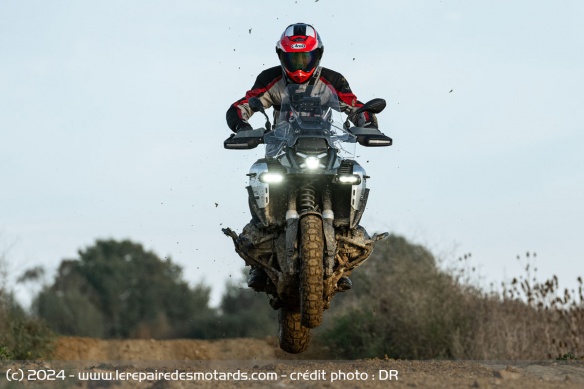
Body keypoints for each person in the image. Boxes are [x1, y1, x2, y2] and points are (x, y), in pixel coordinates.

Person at [226, 23, 379, 291]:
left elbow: (356, 106)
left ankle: (342, 255)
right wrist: (242, 126)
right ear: (281, 56)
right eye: (292, 58)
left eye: (304, 57)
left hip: (326, 151)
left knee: (354, 173)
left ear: (317, 55)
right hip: (283, 152)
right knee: (259, 173)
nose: (298, 64)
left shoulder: (333, 80)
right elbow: (244, 105)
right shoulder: (270, 80)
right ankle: (259, 264)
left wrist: (367, 122)